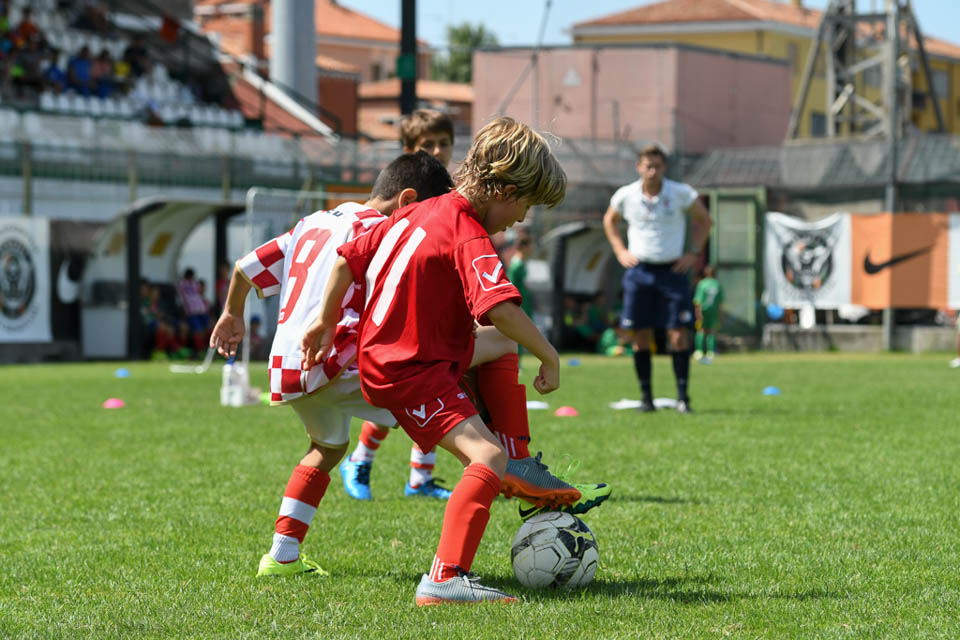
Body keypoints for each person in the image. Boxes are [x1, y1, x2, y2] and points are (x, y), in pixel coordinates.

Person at [302, 117, 579, 606]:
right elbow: (500, 308)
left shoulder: (420, 210)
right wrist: (550, 355)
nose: (521, 219)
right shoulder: (468, 231)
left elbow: (347, 259)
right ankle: (445, 578)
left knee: (501, 345)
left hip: (407, 354)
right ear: (506, 191)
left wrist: (324, 320)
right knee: (484, 457)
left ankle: (516, 456)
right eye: (526, 205)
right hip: (409, 369)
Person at [210, 152, 455, 580]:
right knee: (458, 400)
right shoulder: (382, 230)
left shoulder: (313, 222)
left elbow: (246, 268)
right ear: (407, 201)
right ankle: (508, 474)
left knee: (327, 448)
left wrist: (231, 313)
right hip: (337, 358)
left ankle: (282, 556)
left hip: (288, 365)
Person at [339, 109, 459, 502]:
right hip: (393, 312)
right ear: (408, 149)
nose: (438, 151)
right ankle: (361, 459)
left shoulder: (449, 196)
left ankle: (421, 478)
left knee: (439, 387)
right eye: (428, 145)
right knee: (399, 399)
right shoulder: (402, 198)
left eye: (444, 143)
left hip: (430, 307)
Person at [603, 144, 712, 414]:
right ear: (638, 167)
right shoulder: (626, 195)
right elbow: (609, 221)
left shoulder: (681, 193)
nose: (652, 171)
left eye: (657, 166)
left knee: (678, 334)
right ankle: (646, 398)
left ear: (665, 167)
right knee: (640, 334)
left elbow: (705, 221)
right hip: (639, 271)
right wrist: (620, 250)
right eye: (648, 166)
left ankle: (683, 398)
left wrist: (693, 253)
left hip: (672, 272)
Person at [693, 264, 724, 364]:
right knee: (711, 331)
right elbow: (720, 302)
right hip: (713, 311)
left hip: (703, 310)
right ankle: (710, 352)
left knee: (700, 330)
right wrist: (720, 315)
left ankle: (699, 351)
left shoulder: (702, 283)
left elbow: (697, 301)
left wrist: (697, 313)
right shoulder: (717, 284)